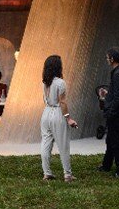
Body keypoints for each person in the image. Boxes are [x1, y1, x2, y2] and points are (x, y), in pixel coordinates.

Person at [40, 55, 77, 183]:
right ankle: (67, 175)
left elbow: (45, 100)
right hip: (57, 113)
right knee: (63, 145)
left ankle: (47, 173)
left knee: (45, 143)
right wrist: (68, 118)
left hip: (46, 112)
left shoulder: (44, 82)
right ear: (58, 67)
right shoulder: (60, 83)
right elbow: (62, 102)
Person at [99, 46, 119, 178]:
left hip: (117, 113)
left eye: (107, 57)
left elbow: (118, 97)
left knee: (116, 142)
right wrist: (108, 93)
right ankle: (106, 165)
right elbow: (118, 92)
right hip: (118, 111)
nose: (107, 59)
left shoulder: (118, 74)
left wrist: (110, 111)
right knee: (111, 140)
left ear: (112, 59)